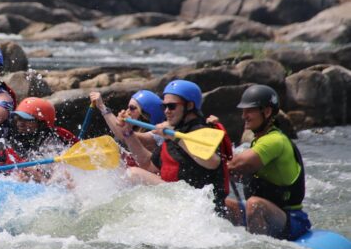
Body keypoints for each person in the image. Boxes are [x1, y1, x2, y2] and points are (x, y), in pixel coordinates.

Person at [118, 80, 228, 215]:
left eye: (171, 106)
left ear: (189, 105)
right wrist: (128, 132)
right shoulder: (173, 133)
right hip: (179, 203)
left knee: (133, 173)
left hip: (202, 208)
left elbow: (213, 162)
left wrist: (176, 138)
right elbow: (147, 164)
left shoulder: (203, 130)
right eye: (164, 106)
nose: (166, 111)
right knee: (132, 172)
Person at [226, 84, 311, 240]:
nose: (244, 116)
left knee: (254, 204)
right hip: (266, 214)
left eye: (249, 111)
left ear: (266, 112)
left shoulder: (275, 140)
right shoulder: (258, 142)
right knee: (220, 204)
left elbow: (237, 164)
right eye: (243, 111)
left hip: (291, 219)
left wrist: (222, 165)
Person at [0, 97, 78, 183]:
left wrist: (40, 178)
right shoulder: (14, 138)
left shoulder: (55, 139)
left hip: (55, 182)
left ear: (42, 123)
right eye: (18, 118)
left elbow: (63, 174)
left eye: (27, 119)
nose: (20, 123)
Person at [89, 89, 165, 166]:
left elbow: (124, 137)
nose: (127, 111)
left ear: (145, 116)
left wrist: (102, 107)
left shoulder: (156, 134)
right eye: (128, 107)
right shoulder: (134, 130)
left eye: (132, 108)